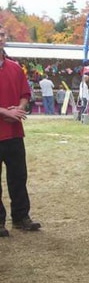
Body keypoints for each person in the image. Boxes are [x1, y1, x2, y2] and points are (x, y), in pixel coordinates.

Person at [0, 23, 41, 237]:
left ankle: (21, 217)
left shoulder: (15, 68)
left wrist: (21, 106)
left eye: (2, 34)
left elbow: (25, 93)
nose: (0, 38)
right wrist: (4, 112)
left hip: (14, 133)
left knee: (18, 177)